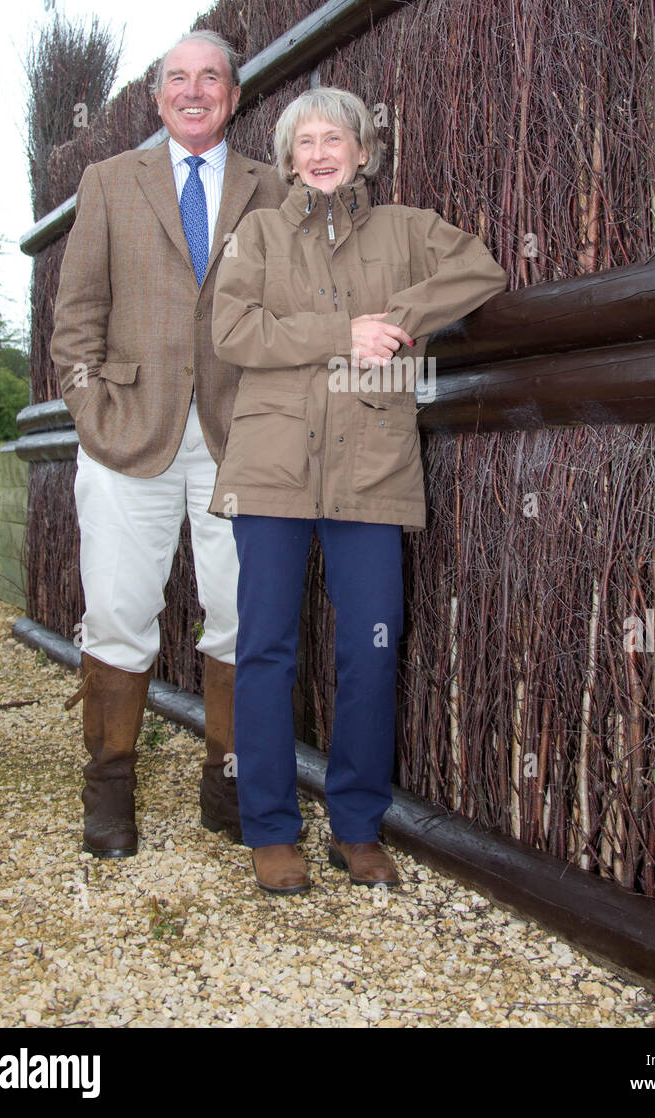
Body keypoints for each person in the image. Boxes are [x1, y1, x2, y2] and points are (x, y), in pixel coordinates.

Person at [209, 87, 507, 893]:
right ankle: (271, 828)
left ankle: (357, 824)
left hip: (371, 463)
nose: (319, 150)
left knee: (371, 649)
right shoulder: (259, 234)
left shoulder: (407, 229)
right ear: (288, 158)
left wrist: (399, 318)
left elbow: (481, 268)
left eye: (333, 135)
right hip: (272, 464)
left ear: (364, 150)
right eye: (303, 140)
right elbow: (230, 331)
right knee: (265, 647)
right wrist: (339, 335)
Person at [50, 30, 286, 857]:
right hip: (126, 437)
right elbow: (75, 312)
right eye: (177, 79)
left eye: (210, 77)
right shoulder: (110, 183)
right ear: (158, 99)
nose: (194, 91)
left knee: (239, 614)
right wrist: (90, 407)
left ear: (234, 92)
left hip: (239, 442)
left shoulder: (274, 187)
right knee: (118, 612)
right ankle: (108, 790)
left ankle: (226, 785)